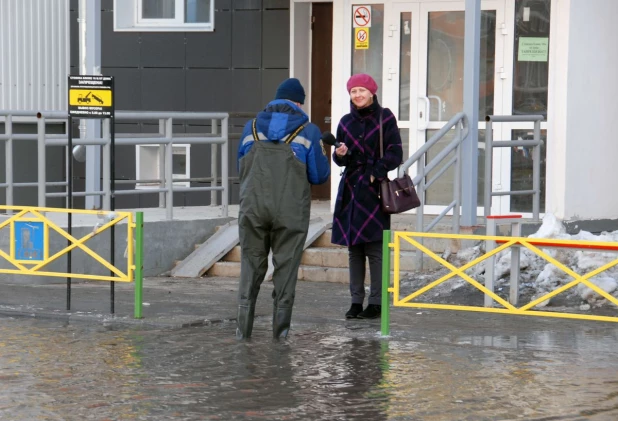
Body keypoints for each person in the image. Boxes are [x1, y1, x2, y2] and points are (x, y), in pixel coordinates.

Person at [236, 77, 331, 339]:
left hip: (253, 208)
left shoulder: (251, 127)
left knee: (250, 267)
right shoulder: (309, 131)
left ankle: (243, 333)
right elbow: (319, 176)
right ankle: (280, 336)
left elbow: (240, 168)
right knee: (286, 270)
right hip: (291, 211)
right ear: (299, 102)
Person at [331, 74, 403, 320]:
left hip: (373, 192)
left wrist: (375, 173)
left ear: (372, 92)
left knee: (375, 248)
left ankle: (377, 303)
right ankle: (355, 301)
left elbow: (396, 153)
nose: (358, 95)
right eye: (353, 91)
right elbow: (340, 158)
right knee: (354, 250)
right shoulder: (344, 122)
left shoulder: (385, 117)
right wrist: (340, 155)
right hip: (351, 190)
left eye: (362, 90)